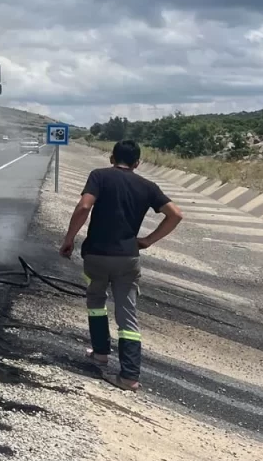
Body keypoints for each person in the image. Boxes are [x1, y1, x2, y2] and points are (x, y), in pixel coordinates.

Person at [59, 139, 183, 390]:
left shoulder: (99, 176)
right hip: (127, 258)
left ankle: (101, 354)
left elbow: (84, 206)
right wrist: (147, 240)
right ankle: (129, 376)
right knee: (127, 315)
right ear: (137, 163)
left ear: (112, 158)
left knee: (96, 303)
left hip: (96, 256)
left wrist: (69, 239)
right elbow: (176, 214)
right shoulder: (148, 186)